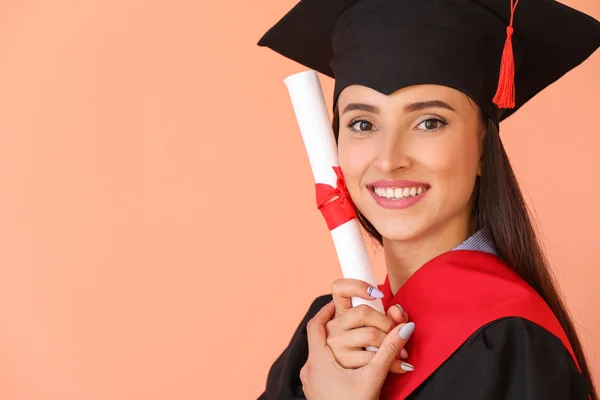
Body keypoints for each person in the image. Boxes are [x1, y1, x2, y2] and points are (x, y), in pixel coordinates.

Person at [255, 0, 600, 397]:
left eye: (428, 122)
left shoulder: (511, 342)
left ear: (483, 148)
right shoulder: (325, 342)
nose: (388, 159)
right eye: (362, 123)